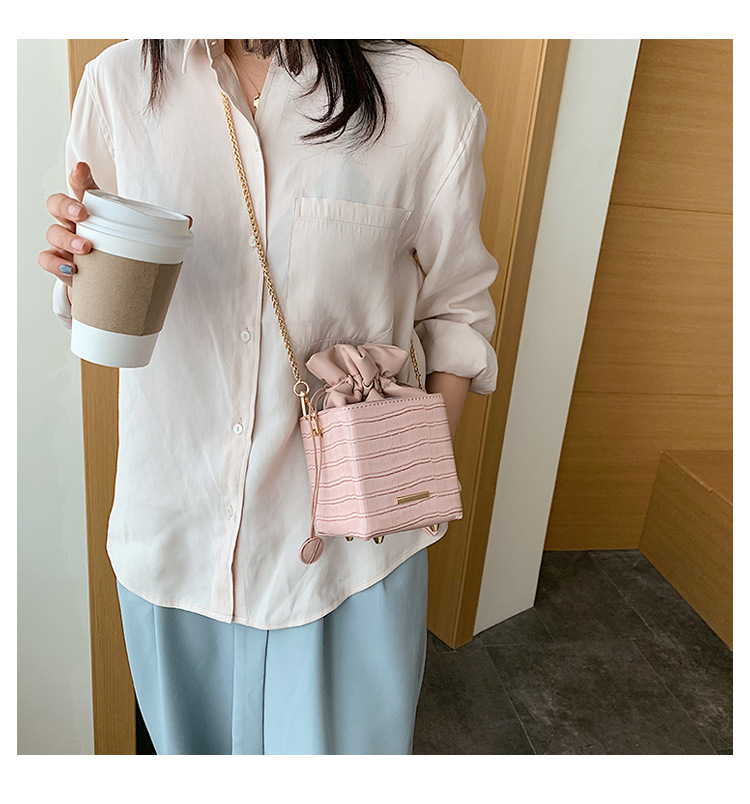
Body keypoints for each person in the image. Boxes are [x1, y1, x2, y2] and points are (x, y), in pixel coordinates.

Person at [40, 39, 499, 755]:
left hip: (349, 565)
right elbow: (95, 304)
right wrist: (78, 266)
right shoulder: (118, 83)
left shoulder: (424, 101)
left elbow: (458, 317)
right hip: (175, 549)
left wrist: (405, 477)